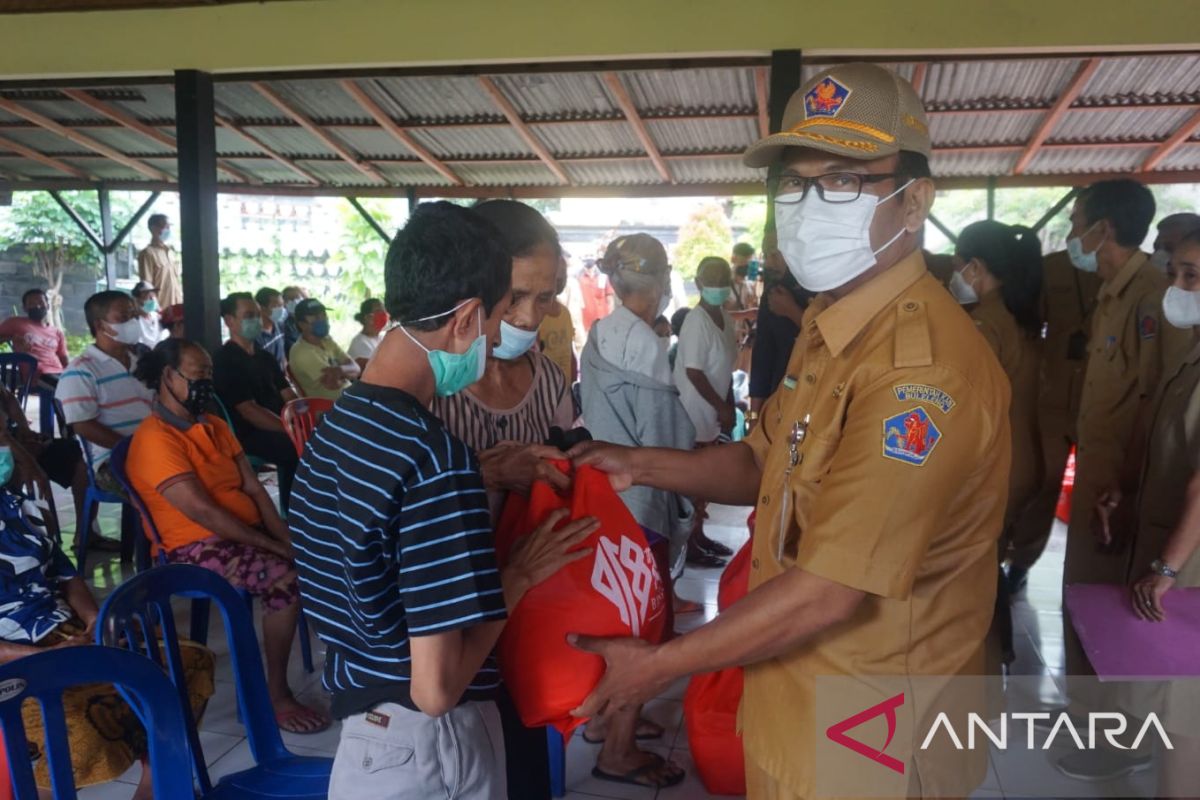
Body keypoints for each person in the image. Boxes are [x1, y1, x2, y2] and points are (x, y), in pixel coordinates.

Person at [569, 63, 1011, 800]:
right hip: (794, 703)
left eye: (843, 181)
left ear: (916, 201)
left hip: (873, 732)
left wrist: (655, 666)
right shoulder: (832, 327)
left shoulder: (925, 375)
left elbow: (831, 591)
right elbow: (761, 461)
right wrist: (638, 464)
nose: (810, 206)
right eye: (795, 185)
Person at [289, 201, 598, 800]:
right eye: (495, 320)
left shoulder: (336, 427)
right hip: (434, 747)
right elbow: (437, 690)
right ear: (465, 318)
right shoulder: (435, 460)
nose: (495, 339)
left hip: (364, 729)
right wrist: (519, 574)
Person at [127, 338, 328, 735]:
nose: (207, 383)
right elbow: (205, 513)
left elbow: (254, 488)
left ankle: (352, 662)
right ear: (169, 377)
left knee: (323, 552)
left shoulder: (214, 425)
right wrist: (275, 547)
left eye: (209, 375)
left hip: (243, 533)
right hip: (194, 547)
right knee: (285, 577)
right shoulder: (155, 440)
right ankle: (275, 695)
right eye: (199, 375)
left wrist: (283, 533)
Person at [1059, 182, 1190, 775]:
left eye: (1078, 222)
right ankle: (1100, 727)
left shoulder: (1152, 297)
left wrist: (1130, 488)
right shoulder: (1112, 292)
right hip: (1108, 484)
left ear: (1102, 228)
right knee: (1087, 602)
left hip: (1140, 496)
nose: (1072, 237)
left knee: (1124, 618)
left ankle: (1123, 737)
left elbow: (1160, 403)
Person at [0, 494, 214, 798]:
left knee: (187, 660)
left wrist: (94, 622)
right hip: (13, 658)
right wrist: (45, 657)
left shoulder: (14, 505)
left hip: (66, 630)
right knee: (72, 728)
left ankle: (154, 786)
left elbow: (65, 575)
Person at [1119, 229, 1200, 798]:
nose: (1176, 286)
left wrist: (1167, 569)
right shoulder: (1194, 351)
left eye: (1192, 276)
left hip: (1191, 565)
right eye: (1175, 271)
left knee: (1184, 716)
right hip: (1178, 545)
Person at [949, 220, 1045, 666]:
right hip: (1025, 457)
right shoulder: (1020, 314)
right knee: (989, 562)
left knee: (976, 571)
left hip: (997, 465)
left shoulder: (984, 324)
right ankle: (999, 648)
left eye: (957, 267)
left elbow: (969, 409)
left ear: (974, 266)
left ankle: (988, 655)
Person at [581, 233, 696, 578]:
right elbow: (663, 435)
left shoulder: (601, 331)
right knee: (647, 591)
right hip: (641, 491)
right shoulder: (645, 342)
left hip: (602, 485)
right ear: (661, 279)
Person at [1004, 249, 1101, 593]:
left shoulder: (1131, 279)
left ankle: (1084, 576)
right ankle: (1019, 559)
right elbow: (1032, 323)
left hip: (1101, 401)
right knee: (1042, 483)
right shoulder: (1053, 267)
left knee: (1095, 492)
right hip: (1053, 395)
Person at [55, 291, 153, 550]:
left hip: (154, 447)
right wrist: (131, 448)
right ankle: (168, 552)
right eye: (124, 316)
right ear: (100, 325)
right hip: (113, 460)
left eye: (134, 314)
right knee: (166, 488)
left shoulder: (142, 362)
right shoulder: (81, 370)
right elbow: (83, 426)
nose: (133, 321)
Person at [675, 256, 738, 567]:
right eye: (710, 279)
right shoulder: (696, 321)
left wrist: (729, 403)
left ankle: (699, 536)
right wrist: (721, 406)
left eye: (722, 278)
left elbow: (725, 368)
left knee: (704, 485)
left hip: (713, 413)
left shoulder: (725, 319)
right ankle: (689, 545)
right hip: (693, 413)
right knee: (693, 484)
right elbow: (694, 373)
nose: (717, 285)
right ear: (698, 284)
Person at [213, 292, 300, 511]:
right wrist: (290, 429)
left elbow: (287, 394)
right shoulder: (225, 361)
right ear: (229, 321)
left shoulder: (264, 357)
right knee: (297, 447)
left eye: (257, 315)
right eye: (249, 315)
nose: (256, 321)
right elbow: (249, 411)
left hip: (279, 425)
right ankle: (293, 513)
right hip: (248, 433)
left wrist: (303, 417)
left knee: (317, 440)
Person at [748, 230, 808, 431]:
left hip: (815, 397)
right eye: (766, 255)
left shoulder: (826, 291)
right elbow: (762, 357)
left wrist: (792, 311)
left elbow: (831, 339)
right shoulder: (773, 293)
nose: (769, 264)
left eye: (775, 255)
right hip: (779, 396)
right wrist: (754, 416)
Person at [287, 299, 359, 400]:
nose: (321, 319)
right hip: (331, 407)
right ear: (301, 324)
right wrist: (346, 371)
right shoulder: (301, 352)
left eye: (323, 315)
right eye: (315, 317)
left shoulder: (326, 340)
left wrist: (339, 370)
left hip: (348, 397)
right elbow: (333, 384)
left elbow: (356, 368)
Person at [0, 288, 69, 390]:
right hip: (37, 375)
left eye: (41, 302)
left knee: (80, 386)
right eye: (31, 303)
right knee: (67, 389)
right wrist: (10, 338)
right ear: (24, 308)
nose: (37, 306)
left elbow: (64, 358)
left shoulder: (57, 332)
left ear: (48, 306)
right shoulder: (15, 323)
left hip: (59, 373)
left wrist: (72, 373)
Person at [538, 253, 578, 383]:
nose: (561, 280)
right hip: (545, 386)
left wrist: (572, 379)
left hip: (564, 387)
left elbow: (569, 350)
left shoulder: (565, 313)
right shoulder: (537, 315)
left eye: (564, 274)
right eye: (557, 275)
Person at [137, 213, 182, 308]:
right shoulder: (147, 253)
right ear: (154, 229)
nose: (168, 231)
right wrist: (152, 309)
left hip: (176, 305)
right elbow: (146, 286)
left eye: (169, 227)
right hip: (161, 308)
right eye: (166, 227)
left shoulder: (170, 252)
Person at [347, 297, 388, 370]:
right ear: (368, 317)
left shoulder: (382, 337)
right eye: (379, 311)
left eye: (384, 311)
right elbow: (376, 370)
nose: (384, 314)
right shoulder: (360, 343)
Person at [578, 256, 615, 333]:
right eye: (586, 264)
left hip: (602, 319)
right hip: (586, 321)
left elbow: (610, 299)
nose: (588, 267)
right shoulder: (578, 279)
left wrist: (611, 317)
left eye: (590, 264)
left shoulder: (603, 277)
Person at [255, 287, 289, 370]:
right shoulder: (255, 337)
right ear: (262, 308)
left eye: (282, 305)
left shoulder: (280, 326)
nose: (282, 309)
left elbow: (282, 357)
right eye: (277, 306)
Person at [130, 280, 163, 349]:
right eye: (149, 297)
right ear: (137, 300)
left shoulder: (155, 316)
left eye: (153, 296)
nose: (152, 300)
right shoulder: (133, 321)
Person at [281, 285, 307, 353]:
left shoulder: (310, 320)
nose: (295, 301)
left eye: (297, 298)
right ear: (283, 303)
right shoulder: (283, 325)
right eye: (290, 299)